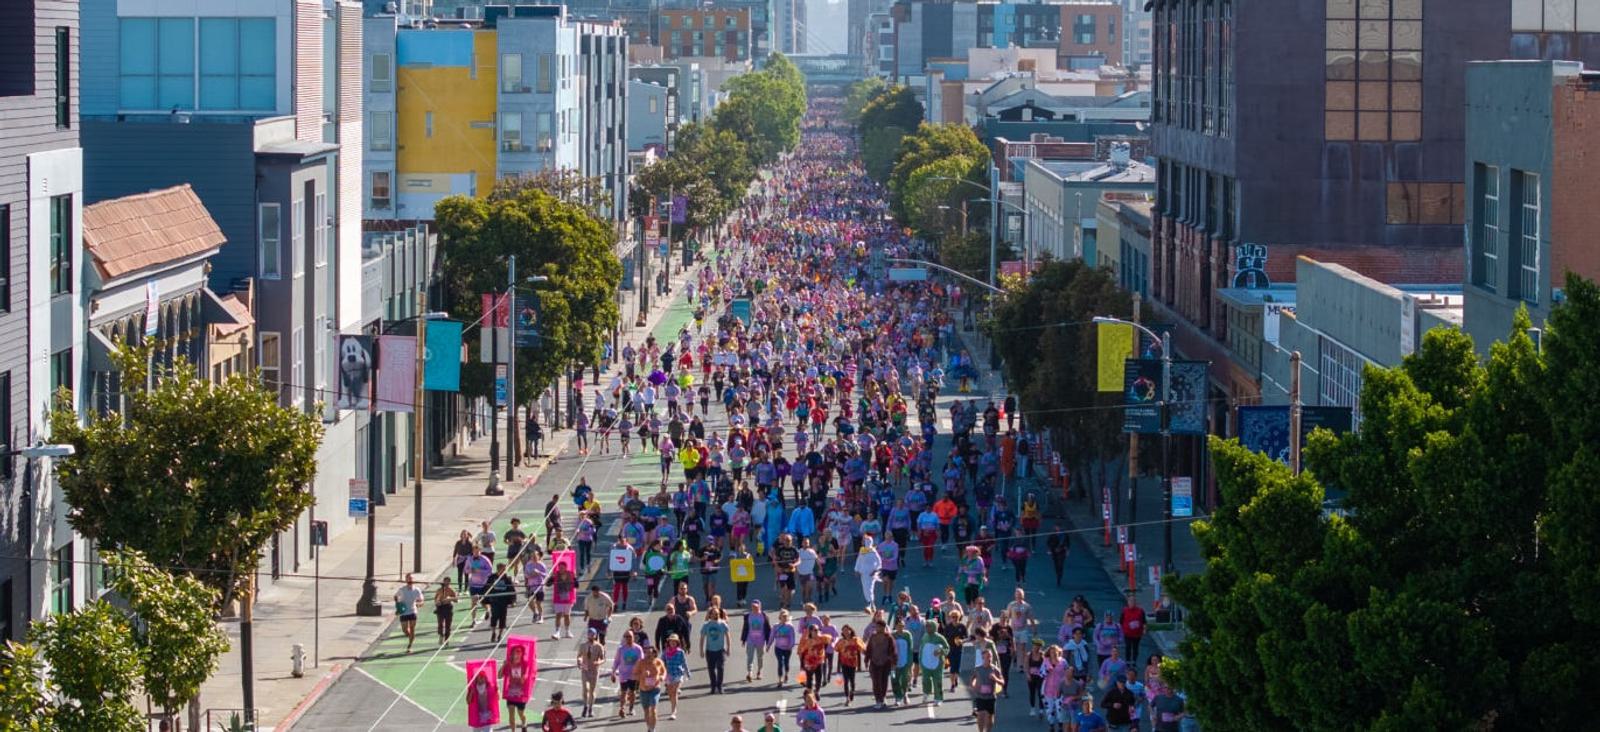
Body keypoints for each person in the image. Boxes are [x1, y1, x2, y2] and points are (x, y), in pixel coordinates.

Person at [633, 643, 667, 732]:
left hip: (655, 689)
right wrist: (642, 675)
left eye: (650, 653)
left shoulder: (658, 662)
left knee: (653, 709)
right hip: (643, 690)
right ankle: (649, 727)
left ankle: (653, 729)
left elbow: (664, 671)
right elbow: (634, 675)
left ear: (654, 654)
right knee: (646, 710)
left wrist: (662, 677)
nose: (648, 654)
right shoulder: (640, 662)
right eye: (646, 653)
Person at [969, 648, 1005, 732]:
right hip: (980, 696)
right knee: (980, 715)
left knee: (989, 717)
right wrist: (973, 686)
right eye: (986, 657)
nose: (989, 659)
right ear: (982, 658)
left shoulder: (995, 670)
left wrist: (995, 679)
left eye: (990, 657)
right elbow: (972, 678)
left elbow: (1002, 682)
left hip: (991, 697)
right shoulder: (978, 669)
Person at [612, 630, 645, 718]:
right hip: (623, 673)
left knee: (632, 692)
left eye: (629, 636)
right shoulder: (621, 649)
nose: (628, 638)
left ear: (633, 637)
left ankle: (631, 708)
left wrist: (641, 672)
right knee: (623, 692)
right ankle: (622, 708)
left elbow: (642, 660)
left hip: (634, 674)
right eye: (626, 637)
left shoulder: (638, 648)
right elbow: (616, 661)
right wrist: (613, 672)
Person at [864, 618, 896, 708]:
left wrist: (893, 662)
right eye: (876, 627)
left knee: (884, 681)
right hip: (874, 662)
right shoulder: (873, 637)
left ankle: (883, 697)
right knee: (876, 682)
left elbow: (893, 651)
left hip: (885, 662)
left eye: (880, 627)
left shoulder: (889, 637)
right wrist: (866, 660)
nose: (878, 628)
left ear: (884, 627)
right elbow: (869, 649)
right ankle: (878, 700)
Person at [918, 620, 950, 705]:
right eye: (926, 626)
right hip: (925, 662)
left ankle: (938, 698)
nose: (927, 628)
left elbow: (947, 649)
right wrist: (920, 660)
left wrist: (940, 652)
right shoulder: (925, 636)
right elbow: (921, 648)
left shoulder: (940, 637)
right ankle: (926, 693)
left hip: (937, 664)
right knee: (925, 680)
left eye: (929, 626)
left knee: (938, 681)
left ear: (934, 627)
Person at [576, 628, 607, 717]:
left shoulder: (599, 646)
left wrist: (598, 662)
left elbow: (603, 658)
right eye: (589, 634)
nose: (590, 636)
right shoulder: (583, 646)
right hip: (585, 670)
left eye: (592, 634)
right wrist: (579, 661)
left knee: (592, 690)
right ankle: (585, 706)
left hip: (594, 671)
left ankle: (590, 708)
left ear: (595, 635)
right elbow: (579, 656)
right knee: (585, 688)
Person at [700, 607, 731, 694]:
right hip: (710, 651)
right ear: (710, 615)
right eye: (714, 614)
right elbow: (702, 638)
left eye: (717, 614)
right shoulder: (706, 625)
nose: (716, 615)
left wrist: (728, 648)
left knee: (720, 668)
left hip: (720, 650)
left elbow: (728, 636)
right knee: (711, 669)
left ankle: (720, 686)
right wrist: (701, 650)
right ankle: (713, 686)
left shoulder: (723, 624)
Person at [796, 624, 833, 694]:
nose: (817, 631)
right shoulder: (807, 641)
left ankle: (817, 692)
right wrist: (802, 664)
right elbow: (802, 651)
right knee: (809, 679)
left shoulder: (822, 638)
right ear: (810, 632)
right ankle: (810, 693)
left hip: (819, 661)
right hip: (809, 662)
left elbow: (830, 638)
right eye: (815, 630)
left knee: (819, 678)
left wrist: (823, 644)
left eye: (818, 630)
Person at [741, 600, 772, 681]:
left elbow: (768, 629)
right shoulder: (748, 616)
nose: (754, 608)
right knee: (749, 657)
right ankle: (749, 672)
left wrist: (768, 641)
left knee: (760, 657)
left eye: (756, 607)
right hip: (750, 640)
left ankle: (759, 671)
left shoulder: (764, 616)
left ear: (759, 607)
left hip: (760, 641)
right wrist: (743, 640)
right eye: (753, 606)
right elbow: (745, 628)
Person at [833, 624, 865, 705]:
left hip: (853, 663)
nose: (846, 632)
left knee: (852, 681)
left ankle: (852, 692)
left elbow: (860, 651)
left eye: (847, 630)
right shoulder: (841, 642)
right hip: (844, 663)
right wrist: (838, 667)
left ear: (851, 631)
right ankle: (847, 698)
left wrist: (860, 665)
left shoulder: (855, 640)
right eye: (844, 630)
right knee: (846, 681)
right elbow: (838, 652)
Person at [393, 574, 424, 653]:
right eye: (408, 579)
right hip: (404, 612)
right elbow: (395, 597)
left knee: (412, 629)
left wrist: (419, 604)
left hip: (413, 611)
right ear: (406, 580)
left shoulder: (417, 590)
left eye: (411, 579)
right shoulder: (402, 589)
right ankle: (410, 637)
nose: (410, 581)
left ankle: (409, 646)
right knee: (405, 630)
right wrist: (398, 605)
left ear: (413, 580)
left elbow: (421, 600)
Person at [486, 565, 517, 643]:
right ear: (498, 569)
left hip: (503, 601)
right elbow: (486, 588)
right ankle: (493, 633)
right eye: (502, 570)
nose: (503, 571)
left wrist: (513, 601)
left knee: (502, 618)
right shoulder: (492, 577)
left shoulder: (507, 579)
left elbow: (512, 590)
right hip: (494, 601)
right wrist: (486, 598)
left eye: (504, 570)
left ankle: (500, 634)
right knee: (494, 617)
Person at [549, 562, 578, 639]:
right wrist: (551, 577)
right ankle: (557, 632)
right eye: (559, 567)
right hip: (558, 598)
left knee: (567, 615)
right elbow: (548, 584)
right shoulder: (556, 575)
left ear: (566, 567)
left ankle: (567, 631)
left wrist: (575, 577)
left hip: (568, 599)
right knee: (558, 615)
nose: (561, 569)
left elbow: (576, 585)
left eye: (562, 567)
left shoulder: (570, 574)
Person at [854, 535, 882, 612]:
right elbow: (858, 560)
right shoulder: (862, 550)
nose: (864, 542)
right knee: (865, 588)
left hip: (871, 573)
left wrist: (875, 570)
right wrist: (856, 570)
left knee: (870, 588)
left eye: (866, 541)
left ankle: (869, 604)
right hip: (863, 572)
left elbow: (879, 562)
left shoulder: (873, 551)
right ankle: (872, 603)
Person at [1120, 593, 1147, 663]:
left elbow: (1144, 621)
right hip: (1127, 633)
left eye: (1133, 601)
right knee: (1128, 647)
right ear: (1128, 602)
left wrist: (1144, 629)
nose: (1131, 603)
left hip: (1137, 634)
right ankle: (1128, 661)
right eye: (1130, 601)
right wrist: (1121, 630)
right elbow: (1121, 621)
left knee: (1135, 648)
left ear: (1135, 602)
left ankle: (1134, 661)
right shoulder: (1124, 610)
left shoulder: (1140, 611)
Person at [433, 578, 458, 643]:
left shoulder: (451, 590)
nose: (446, 584)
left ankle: (447, 639)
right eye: (445, 582)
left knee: (448, 625)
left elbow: (456, 600)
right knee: (440, 623)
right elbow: (435, 599)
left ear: (449, 583)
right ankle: (441, 635)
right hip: (440, 608)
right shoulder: (439, 590)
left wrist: (450, 598)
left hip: (448, 607)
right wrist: (437, 602)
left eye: (448, 582)